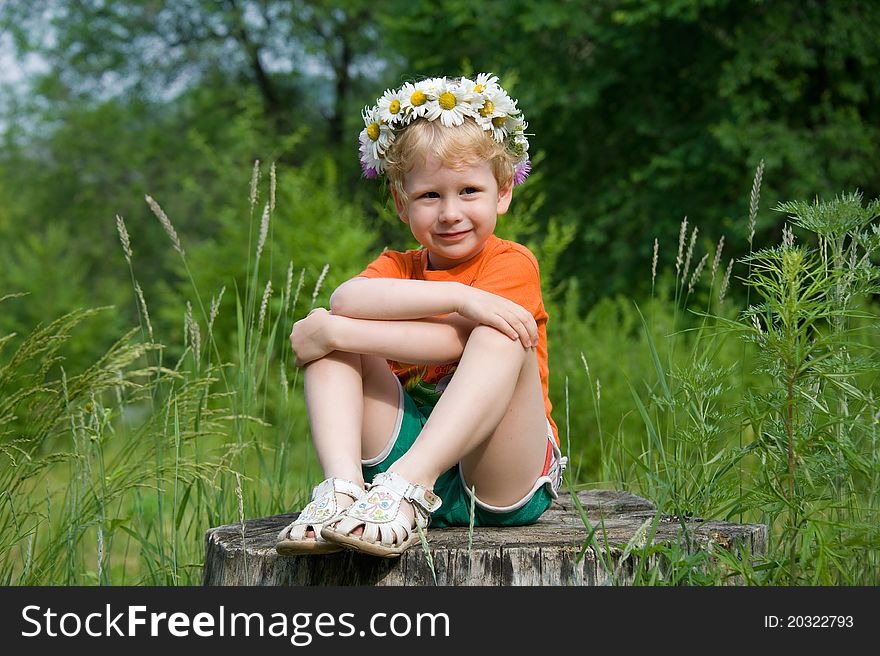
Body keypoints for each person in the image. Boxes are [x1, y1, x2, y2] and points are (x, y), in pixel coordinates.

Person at [276, 74, 566, 558]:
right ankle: (343, 490)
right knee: (335, 346)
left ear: (503, 193)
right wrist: (457, 299)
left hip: (496, 473)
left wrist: (330, 331)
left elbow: (455, 345)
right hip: (390, 473)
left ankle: (412, 482)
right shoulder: (398, 267)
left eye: (469, 190)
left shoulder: (510, 261)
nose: (450, 212)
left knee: (501, 332)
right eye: (430, 195)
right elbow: (348, 298)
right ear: (400, 201)